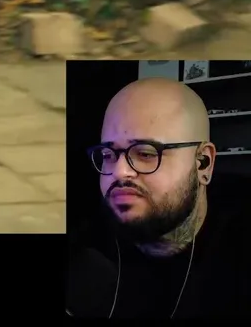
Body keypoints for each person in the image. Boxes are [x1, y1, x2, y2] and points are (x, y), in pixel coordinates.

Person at [68, 77, 251, 318]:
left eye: (146, 153)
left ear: (203, 163)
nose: (119, 172)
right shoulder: (81, 252)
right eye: (108, 154)